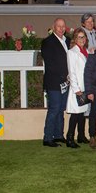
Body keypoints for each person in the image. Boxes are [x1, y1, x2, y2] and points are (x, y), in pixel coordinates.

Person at [41, 18, 70, 147]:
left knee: (60, 109)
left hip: (65, 82)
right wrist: (64, 75)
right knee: (54, 109)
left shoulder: (68, 41)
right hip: (54, 82)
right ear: (53, 27)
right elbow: (50, 63)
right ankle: (47, 138)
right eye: (59, 26)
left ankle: (58, 135)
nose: (61, 28)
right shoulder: (47, 42)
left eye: (63, 26)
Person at [65, 28, 90, 148]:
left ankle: (81, 136)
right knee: (75, 114)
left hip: (85, 86)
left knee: (82, 113)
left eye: (83, 37)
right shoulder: (72, 52)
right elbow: (72, 71)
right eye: (79, 37)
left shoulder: (86, 52)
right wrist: (76, 89)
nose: (82, 39)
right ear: (75, 39)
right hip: (78, 88)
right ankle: (69, 138)